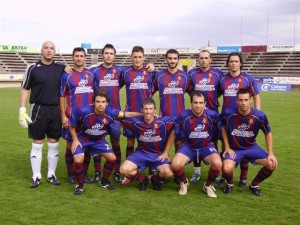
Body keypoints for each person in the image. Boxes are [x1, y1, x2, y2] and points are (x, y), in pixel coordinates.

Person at [69, 90, 143, 195]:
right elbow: (71, 125)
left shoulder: (111, 112)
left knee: (112, 158)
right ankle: (80, 185)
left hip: (99, 140)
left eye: (103, 102)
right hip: (83, 139)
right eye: (98, 101)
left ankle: (104, 181)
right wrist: (75, 140)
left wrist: (143, 113)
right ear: (93, 102)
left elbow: (126, 114)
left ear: (107, 103)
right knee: (78, 159)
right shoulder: (82, 111)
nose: (100, 104)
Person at [19, 41, 65, 188]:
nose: (49, 50)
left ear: (55, 51)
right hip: (38, 109)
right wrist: (22, 110)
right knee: (37, 144)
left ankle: (51, 174)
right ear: (41, 51)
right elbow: (25, 88)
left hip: (55, 110)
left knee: (54, 144)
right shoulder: (32, 68)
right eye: (46, 48)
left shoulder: (61, 68)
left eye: (52, 48)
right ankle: (36, 175)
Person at [220, 88, 277, 196]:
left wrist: (271, 154)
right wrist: (227, 147)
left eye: (246, 100)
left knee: (272, 164)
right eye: (241, 100)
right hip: (235, 149)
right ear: (236, 101)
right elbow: (222, 127)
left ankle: (254, 185)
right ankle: (230, 184)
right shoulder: (228, 114)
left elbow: (267, 133)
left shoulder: (259, 115)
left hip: (251, 147)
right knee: (226, 168)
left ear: (250, 100)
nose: (243, 103)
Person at [220, 52, 261, 188]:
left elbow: (256, 96)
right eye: (231, 61)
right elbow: (215, 94)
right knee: (224, 146)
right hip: (227, 118)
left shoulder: (248, 78)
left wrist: (257, 114)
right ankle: (224, 175)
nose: (233, 63)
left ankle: (243, 177)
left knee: (244, 146)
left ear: (240, 63)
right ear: (228, 63)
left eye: (236, 61)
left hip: (244, 118)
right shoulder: (222, 79)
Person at [60, 47, 101, 184]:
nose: (79, 58)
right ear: (73, 57)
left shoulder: (91, 74)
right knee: (69, 145)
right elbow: (61, 96)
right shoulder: (67, 75)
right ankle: (71, 174)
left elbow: (97, 94)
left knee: (86, 146)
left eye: (81, 56)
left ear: (85, 58)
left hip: (88, 118)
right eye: (76, 56)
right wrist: (63, 116)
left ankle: (82, 173)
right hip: (71, 116)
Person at [171, 91, 222, 198]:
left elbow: (220, 130)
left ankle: (207, 185)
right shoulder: (184, 115)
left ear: (205, 103)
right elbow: (175, 133)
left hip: (206, 146)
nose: (198, 105)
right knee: (175, 164)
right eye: (195, 102)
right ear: (191, 103)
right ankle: (184, 182)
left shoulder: (212, 115)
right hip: (188, 146)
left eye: (200, 102)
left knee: (218, 164)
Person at [120, 98, 175, 191]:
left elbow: (180, 121)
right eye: (146, 109)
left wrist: (166, 152)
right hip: (141, 153)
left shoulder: (164, 122)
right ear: (142, 110)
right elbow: (119, 115)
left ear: (155, 110)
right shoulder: (135, 122)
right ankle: (143, 179)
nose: (148, 112)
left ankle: (155, 179)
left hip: (158, 154)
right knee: (123, 170)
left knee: (168, 173)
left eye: (150, 109)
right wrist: (140, 114)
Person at [152, 48, 190, 184]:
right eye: (170, 58)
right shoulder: (159, 76)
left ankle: (178, 173)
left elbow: (194, 94)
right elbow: (150, 93)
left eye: (175, 58)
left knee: (179, 145)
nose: (172, 61)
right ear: (166, 59)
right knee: (162, 146)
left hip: (180, 118)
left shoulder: (185, 76)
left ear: (178, 60)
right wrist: (151, 111)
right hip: (164, 119)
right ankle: (163, 172)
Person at [188, 50, 224, 183]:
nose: (203, 60)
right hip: (195, 114)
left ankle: (216, 172)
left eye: (206, 58)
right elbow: (189, 90)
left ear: (211, 59)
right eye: (201, 58)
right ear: (198, 60)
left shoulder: (217, 74)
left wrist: (212, 101)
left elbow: (220, 90)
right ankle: (197, 172)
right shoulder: (192, 74)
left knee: (214, 142)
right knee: (196, 140)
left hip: (213, 113)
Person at [121, 46, 155, 184]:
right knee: (130, 142)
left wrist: (152, 66)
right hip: (130, 114)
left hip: (146, 114)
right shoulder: (125, 72)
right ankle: (129, 174)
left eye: (140, 57)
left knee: (150, 142)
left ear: (144, 57)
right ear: (131, 57)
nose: (137, 59)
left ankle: (152, 172)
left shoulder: (150, 72)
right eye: (135, 57)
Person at [91, 44, 124, 183]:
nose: (108, 55)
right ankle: (98, 172)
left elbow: (123, 83)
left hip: (115, 114)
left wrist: (150, 66)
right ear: (102, 55)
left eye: (111, 53)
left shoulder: (120, 71)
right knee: (98, 141)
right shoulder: (94, 71)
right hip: (98, 113)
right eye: (106, 53)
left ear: (114, 56)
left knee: (115, 143)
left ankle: (117, 171)